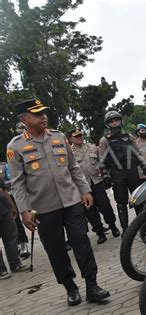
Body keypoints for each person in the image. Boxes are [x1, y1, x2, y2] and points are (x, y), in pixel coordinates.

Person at [7, 98, 110, 306]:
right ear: (24, 119)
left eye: (44, 112)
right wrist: (25, 211)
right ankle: (70, 287)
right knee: (56, 250)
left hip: (71, 201)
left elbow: (73, 168)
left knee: (81, 241)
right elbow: (18, 183)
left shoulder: (59, 136)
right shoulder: (16, 146)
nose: (43, 116)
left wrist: (85, 190)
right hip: (43, 208)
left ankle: (92, 285)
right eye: (37, 114)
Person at [99, 111, 146, 233]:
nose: (115, 123)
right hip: (117, 173)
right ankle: (126, 230)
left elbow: (137, 153)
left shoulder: (129, 137)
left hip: (132, 170)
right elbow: (102, 160)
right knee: (121, 203)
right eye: (111, 121)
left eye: (116, 120)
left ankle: (143, 227)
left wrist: (144, 166)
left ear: (121, 121)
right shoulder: (105, 140)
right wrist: (105, 176)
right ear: (108, 124)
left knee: (138, 199)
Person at [69, 127, 120, 242]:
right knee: (90, 211)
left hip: (97, 181)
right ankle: (100, 232)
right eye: (76, 136)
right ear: (71, 138)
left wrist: (106, 176)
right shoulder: (69, 152)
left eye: (80, 135)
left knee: (105, 206)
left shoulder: (92, 148)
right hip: (83, 186)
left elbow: (102, 161)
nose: (79, 138)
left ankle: (113, 226)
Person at [0, 177, 28, 279]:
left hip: (4, 210)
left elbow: (3, 190)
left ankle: (15, 264)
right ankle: (1, 269)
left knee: (11, 238)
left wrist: (12, 206)